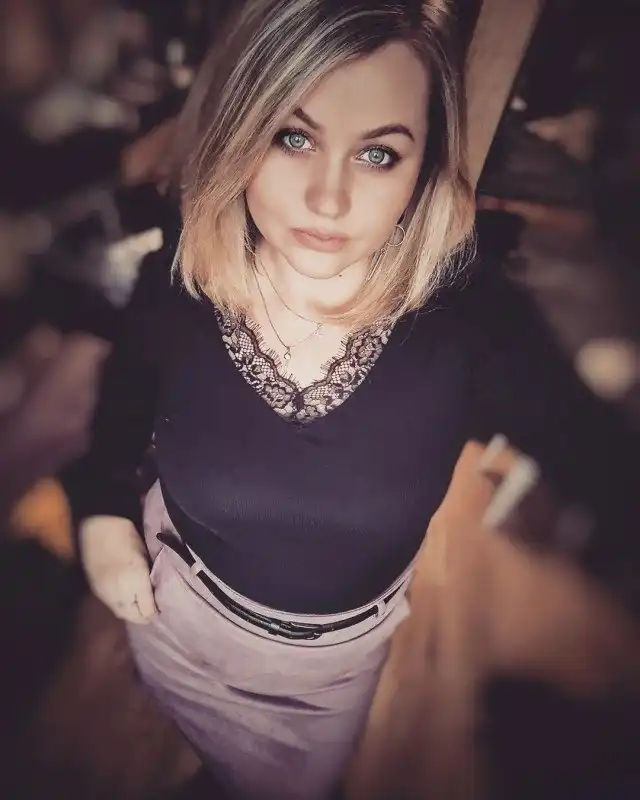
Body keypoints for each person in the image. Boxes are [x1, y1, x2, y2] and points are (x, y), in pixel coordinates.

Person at [62, 1, 636, 798]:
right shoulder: (181, 274)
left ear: (424, 166)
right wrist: (101, 509)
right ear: (241, 129)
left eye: (377, 154)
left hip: (322, 682)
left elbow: (606, 468)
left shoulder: (468, 320)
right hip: (172, 618)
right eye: (293, 138)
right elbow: (124, 398)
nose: (328, 199)